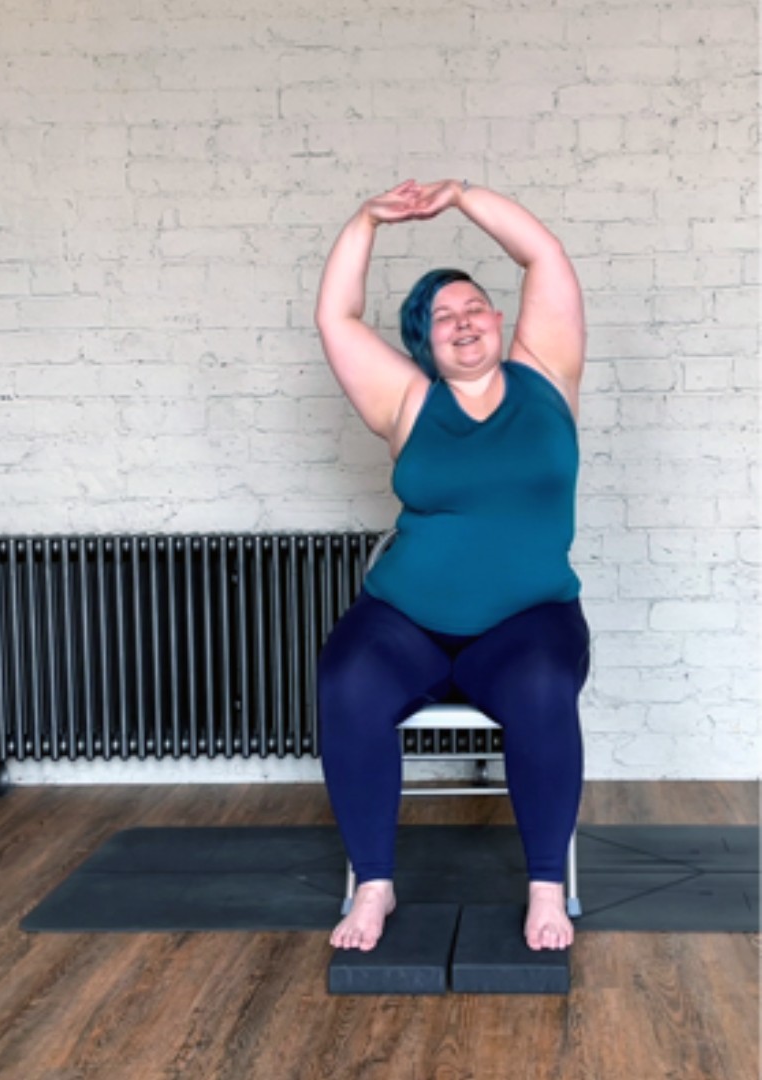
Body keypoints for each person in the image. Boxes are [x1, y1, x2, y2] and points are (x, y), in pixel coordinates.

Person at [313, 178, 590, 954]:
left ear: (500, 319)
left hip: (529, 623)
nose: (462, 323)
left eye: (474, 308)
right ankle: (374, 884)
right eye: (443, 318)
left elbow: (543, 253)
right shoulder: (405, 402)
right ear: (425, 344)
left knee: (541, 688)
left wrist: (463, 196)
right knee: (347, 682)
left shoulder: (548, 375)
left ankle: (543, 887)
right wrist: (366, 216)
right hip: (405, 622)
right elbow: (336, 316)